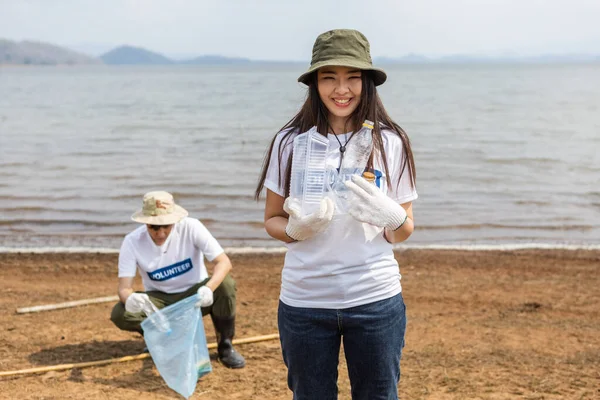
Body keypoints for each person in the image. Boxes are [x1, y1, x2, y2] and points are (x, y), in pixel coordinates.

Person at [255, 29, 417, 399]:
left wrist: (392, 217)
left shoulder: (390, 141)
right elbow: (271, 220)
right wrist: (295, 229)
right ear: (314, 83)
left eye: (352, 77)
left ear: (368, 83)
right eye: (329, 77)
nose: (340, 89)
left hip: (375, 299)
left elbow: (405, 228)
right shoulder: (289, 141)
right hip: (305, 301)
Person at [110, 191, 246, 369]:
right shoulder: (132, 242)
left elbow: (223, 262)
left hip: (195, 296)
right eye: (154, 227)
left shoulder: (192, 227)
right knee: (121, 313)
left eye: (166, 226)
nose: (161, 233)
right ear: (145, 223)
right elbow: (124, 289)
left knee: (226, 285)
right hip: (161, 301)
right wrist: (131, 298)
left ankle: (225, 346)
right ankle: (160, 338)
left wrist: (208, 288)